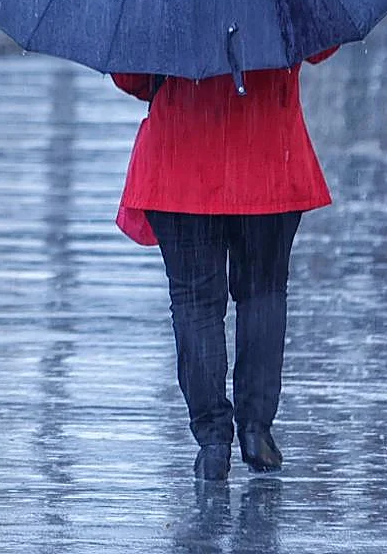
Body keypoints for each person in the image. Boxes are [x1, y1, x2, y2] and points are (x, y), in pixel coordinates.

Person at [111, 48, 337, 481]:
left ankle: (213, 442)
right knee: (263, 293)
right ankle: (256, 430)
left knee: (195, 304)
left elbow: (130, 76)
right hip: (268, 156)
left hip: (182, 161)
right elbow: (319, 43)